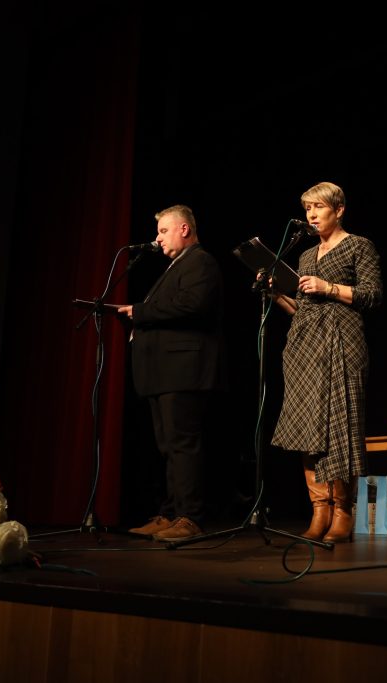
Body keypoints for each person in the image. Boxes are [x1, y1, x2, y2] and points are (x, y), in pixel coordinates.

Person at [270, 182, 382, 543]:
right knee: (308, 425)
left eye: (319, 207)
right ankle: (319, 509)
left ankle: (342, 511)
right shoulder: (305, 256)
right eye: (308, 209)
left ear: (339, 210)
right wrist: (276, 294)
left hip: (342, 342)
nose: (312, 215)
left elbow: (372, 295)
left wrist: (328, 287)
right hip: (305, 346)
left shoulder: (359, 246)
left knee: (340, 425)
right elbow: (301, 308)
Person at [118, 205, 225, 542]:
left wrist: (140, 312)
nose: (158, 238)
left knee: (182, 445)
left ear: (184, 229)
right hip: (165, 372)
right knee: (167, 447)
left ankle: (190, 517)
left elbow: (193, 304)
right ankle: (170, 513)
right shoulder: (178, 265)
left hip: (183, 370)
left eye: (163, 231)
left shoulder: (200, 261)